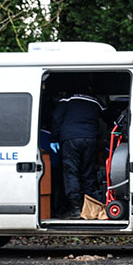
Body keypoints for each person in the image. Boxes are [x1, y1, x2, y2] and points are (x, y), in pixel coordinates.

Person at [51, 88, 108, 219]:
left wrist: (54, 138)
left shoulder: (67, 99)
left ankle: (75, 209)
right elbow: (109, 116)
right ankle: (88, 208)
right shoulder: (95, 100)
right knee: (88, 172)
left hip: (70, 138)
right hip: (90, 138)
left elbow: (56, 117)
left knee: (71, 171)